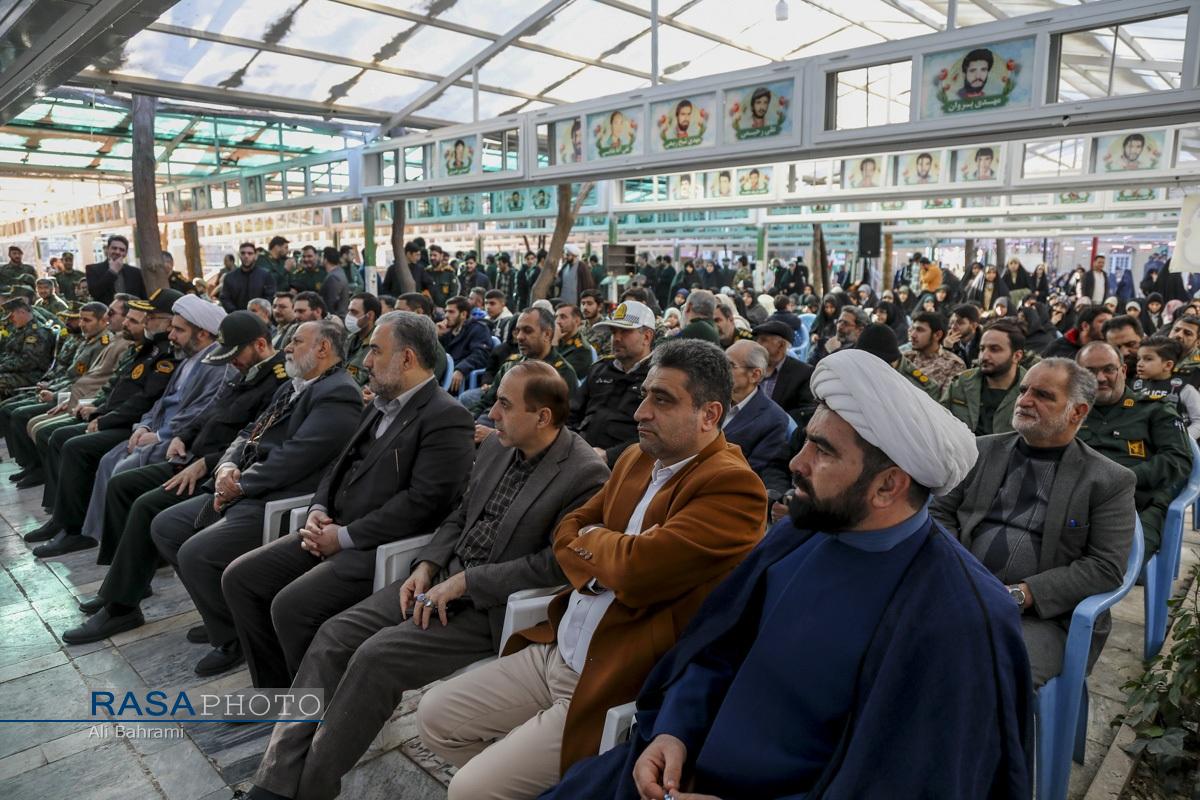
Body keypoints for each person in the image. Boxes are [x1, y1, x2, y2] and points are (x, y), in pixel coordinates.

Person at [543, 348, 1032, 800]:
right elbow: (717, 651)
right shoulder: (799, 535)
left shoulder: (960, 620)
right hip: (677, 769)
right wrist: (674, 729)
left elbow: (909, 784)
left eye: (823, 451)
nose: (797, 463)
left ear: (887, 486)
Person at [237, 361, 609, 800]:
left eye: (505, 405)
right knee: (333, 636)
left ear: (542, 416)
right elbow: (461, 515)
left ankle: (308, 790)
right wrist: (427, 565)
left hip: (488, 606)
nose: (492, 414)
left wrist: (467, 583)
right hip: (439, 579)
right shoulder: (497, 447)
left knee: (376, 658)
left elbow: (555, 565)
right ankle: (274, 780)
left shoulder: (584, 474)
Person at [416, 339, 768, 800]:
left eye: (662, 400)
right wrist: (611, 556)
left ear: (709, 414)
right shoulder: (637, 457)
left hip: (608, 678)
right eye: (644, 394)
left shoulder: (734, 486)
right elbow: (566, 531)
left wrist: (602, 548)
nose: (641, 412)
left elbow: (634, 570)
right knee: (433, 716)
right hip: (556, 648)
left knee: (469, 790)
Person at [222, 312, 476, 688]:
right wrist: (318, 509)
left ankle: (317, 702)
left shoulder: (447, 417)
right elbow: (336, 466)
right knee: (241, 579)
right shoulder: (377, 405)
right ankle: (277, 689)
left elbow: (424, 503)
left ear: (407, 358)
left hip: (376, 546)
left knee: (291, 606)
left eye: (375, 351)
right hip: (331, 529)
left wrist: (343, 537)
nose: (366, 361)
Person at [149, 319, 363, 676]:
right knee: (166, 526)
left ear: (323, 349)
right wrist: (226, 467)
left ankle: (234, 639)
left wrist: (241, 484)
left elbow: (297, 457)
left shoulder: (338, 393)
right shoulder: (295, 385)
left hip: (279, 497)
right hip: (247, 486)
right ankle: (225, 619)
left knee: (196, 553)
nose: (287, 347)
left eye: (296, 341)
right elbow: (249, 431)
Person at [63, 311, 290, 643]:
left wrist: (207, 463)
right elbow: (213, 412)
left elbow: (256, 439)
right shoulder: (246, 370)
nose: (233, 362)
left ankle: (121, 606)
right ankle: (124, 581)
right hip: (194, 458)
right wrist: (184, 435)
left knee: (147, 506)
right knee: (123, 484)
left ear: (259, 345)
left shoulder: (279, 381)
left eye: (236, 354)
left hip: (218, 471)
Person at [933, 357, 1135, 686]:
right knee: (892, 641)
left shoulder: (1108, 480)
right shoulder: (980, 451)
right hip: (958, 589)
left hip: (1043, 618)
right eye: (1024, 390)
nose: (1025, 400)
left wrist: (1019, 595)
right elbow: (939, 513)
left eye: (1043, 395)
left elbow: (1105, 566)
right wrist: (958, 572)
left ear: (1077, 412)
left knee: (984, 676)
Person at [1075, 342, 1192, 557]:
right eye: (1089, 371)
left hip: (1138, 505)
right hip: (1076, 502)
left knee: (1117, 562)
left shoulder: (1154, 409)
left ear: (1123, 370)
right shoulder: (1069, 412)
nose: (1100, 378)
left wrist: (1124, 479)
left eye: (1109, 369)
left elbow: (1178, 459)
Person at [463, 308, 578, 423]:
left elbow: (560, 422)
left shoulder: (561, 373)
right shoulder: (510, 366)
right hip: (491, 422)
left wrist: (493, 433)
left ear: (547, 334)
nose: (519, 337)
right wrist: (468, 422)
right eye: (517, 331)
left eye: (528, 331)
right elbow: (486, 402)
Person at [942, 320, 1026, 436]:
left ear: (1017, 356)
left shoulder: (1030, 391)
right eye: (982, 349)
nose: (984, 356)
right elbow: (940, 422)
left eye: (994, 349)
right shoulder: (961, 384)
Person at [723, 339, 790, 474]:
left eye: (730, 365)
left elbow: (751, 472)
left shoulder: (774, 420)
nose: (720, 370)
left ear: (754, 375)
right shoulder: (709, 398)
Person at [1133, 337, 1200, 440]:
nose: (1139, 364)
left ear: (1168, 365)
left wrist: (1183, 440)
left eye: (1148, 359)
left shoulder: (1185, 389)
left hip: (1175, 444)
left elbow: (1198, 421)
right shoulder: (1136, 387)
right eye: (1139, 359)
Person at [752, 319, 815, 425]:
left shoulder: (803, 373)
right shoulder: (751, 366)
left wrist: (773, 420)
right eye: (757, 340)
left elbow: (806, 411)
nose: (757, 344)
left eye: (763, 340)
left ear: (781, 346)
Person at [0, 297, 56, 400]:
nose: (10, 320)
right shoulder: (19, 330)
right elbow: (8, 354)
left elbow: (28, 362)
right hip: (16, 372)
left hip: (32, 375)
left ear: (22, 312)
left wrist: (2, 367)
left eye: (12, 317)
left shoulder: (37, 332)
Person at [440, 295, 494, 394]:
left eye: (451, 312)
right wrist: (437, 335)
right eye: (446, 311)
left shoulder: (479, 329)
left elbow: (480, 354)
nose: (446, 315)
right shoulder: (446, 330)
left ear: (463, 314)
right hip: (444, 374)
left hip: (462, 380)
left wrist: (461, 369)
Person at [905, 311, 965, 393]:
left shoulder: (953, 364)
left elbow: (945, 399)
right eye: (913, 329)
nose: (912, 335)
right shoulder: (907, 357)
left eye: (920, 330)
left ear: (937, 335)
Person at [85, 235, 146, 304]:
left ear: (126, 253)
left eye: (122, 250)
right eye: (114, 248)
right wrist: (112, 272)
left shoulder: (136, 272)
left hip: (130, 310)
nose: (117, 252)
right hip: (106, 310)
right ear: (107, 249)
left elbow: (143, 298)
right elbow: (94, 293)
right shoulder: (92, 269)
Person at [220, 242, 277, 314]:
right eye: (243, 253)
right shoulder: (230, 277)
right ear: (239, 255)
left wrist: (258, 312)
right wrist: (235, 312)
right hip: (237, 316)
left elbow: (270, 296)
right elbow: (225, 298)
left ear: (255, 256)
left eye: (250, 253)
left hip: (259, 317)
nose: (246, 256)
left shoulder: (265, 276)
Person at [1043, 305, 1111, 359]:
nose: (1109, 325)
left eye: (1111, 322)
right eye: (1103, 322)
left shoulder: (1110, 351)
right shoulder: (1059, 348)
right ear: (1085, 326)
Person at [342, 292, 381, 387]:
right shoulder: (348, 339)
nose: (349, 316)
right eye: (349, 311)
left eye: (354, 312)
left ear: (370, 315)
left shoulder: (379, 344)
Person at [553, 304, 593, 378]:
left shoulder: (582, 350)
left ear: (577, 321)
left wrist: (554, 343)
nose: (557, 321)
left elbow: (558, 375)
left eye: (563, 317)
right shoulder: (559, 339)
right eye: (556, 317)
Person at [319, 246, 350, 318]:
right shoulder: (339, 272)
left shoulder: (333, 277)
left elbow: (331, 302)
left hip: (335, 318)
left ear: (325, 259)